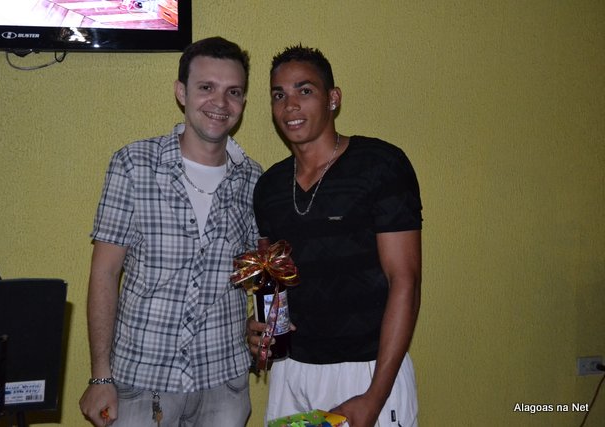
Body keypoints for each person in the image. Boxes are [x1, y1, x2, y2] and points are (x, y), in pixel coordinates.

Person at [79, 36, 262, 427]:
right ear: (182, 92)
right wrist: (100, 376)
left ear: (243, 101)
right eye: (206, 87)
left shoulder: (253, 179)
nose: (220, 102)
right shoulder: (134, 164)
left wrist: (262, 322)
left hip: (224, 381)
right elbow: (105, 273)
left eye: (233, 92)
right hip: (142, 379)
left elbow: (258, 274)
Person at [249, 45, 423, 427]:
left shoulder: (380, 165)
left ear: (333, 98)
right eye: (279, 95)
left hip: (368, 372)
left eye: (304, 90)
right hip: (292, 373)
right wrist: (260, 328)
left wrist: (375, 397)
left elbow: (405, 282)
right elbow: (271, 284)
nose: (290, 105)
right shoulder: (269, 187)